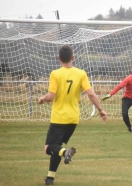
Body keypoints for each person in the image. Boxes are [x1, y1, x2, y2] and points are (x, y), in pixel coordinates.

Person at [38, 45, 107, 185]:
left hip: (59, 118)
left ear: (59, 59)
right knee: (57, 147)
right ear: (73, 58)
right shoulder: (81, 73)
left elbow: (51, 96)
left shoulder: (55, 74)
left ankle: (66, 153)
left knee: (49, 148)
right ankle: (50, 178)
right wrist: (100, 109)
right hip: (73, 118)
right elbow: (91, 94)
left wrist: (42, 99)